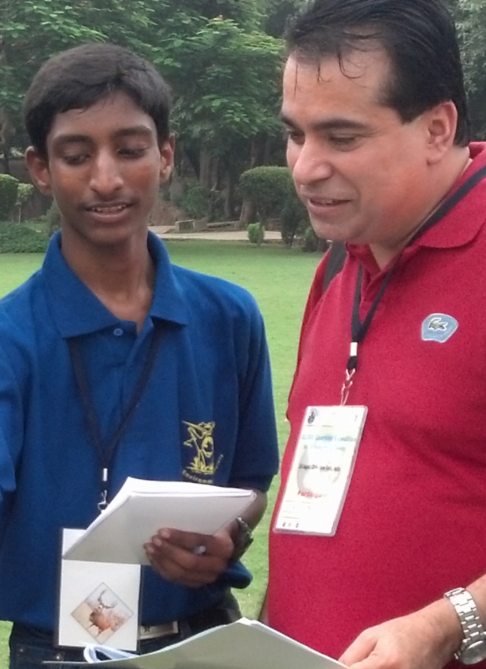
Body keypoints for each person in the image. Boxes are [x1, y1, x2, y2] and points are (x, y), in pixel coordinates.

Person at [0, 43, 279, 667]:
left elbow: (249, 482)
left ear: (166, 155)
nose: (106, 178)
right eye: (76, 156)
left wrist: (228, 534)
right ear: (40, 168)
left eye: (130, 149)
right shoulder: (2, 339)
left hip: (210, 639)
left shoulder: (229, 319)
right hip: (59, 650)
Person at [262, 1, 486, 668]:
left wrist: (446, 625)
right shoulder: (337, 263)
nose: (303, 167)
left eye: (341, 137)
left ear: (435, 127)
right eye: (295, 134)